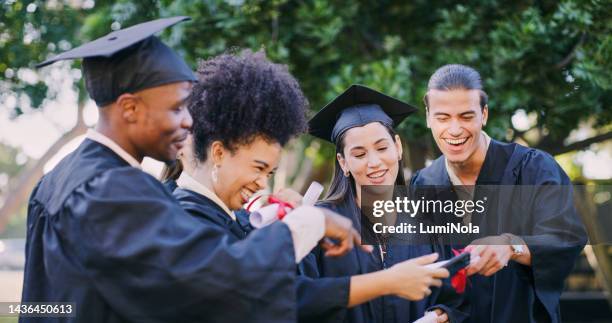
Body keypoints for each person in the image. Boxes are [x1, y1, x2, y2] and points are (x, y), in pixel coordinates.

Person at [22, 17, 362, 323]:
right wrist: (310, 221)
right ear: (129, 108)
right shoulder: (112, 188)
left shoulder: (58, 179)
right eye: (175, 108)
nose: (187, 121)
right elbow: (214, 282)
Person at [162, 53, 449, 323]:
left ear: (398, 147)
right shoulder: (181, 218)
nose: (264, 183)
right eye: (259, 168)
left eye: (270, 172)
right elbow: (283, 297)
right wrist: (309, 222)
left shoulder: (426, 212)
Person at [410, 64, 587, 322]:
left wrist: (512, 245)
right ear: (428, 117)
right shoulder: (424, 184)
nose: (455, 129)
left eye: (466, 116)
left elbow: (566, 238)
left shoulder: (532, 168)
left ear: (484, 114)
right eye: (443, 117)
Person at [303, 84, 467, 323]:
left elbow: (456, 298)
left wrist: (441, 316)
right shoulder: (320, 224)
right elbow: (300, 301)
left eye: (382, 148)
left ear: (398, 147)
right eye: (359, 155)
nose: (374, 162)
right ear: (343, 162)